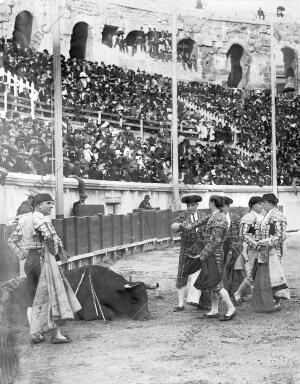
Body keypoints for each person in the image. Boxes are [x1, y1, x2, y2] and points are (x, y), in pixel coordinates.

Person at [8, 193, 81, 344]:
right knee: (51, 293)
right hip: (43, 259)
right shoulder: (41, 218)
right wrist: (54, 252)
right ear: (39, 205)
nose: (52, 206)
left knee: (33, 296)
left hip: (30, 260)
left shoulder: (24, 219)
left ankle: (35, 334)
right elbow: (49, 238)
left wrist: (22, 254)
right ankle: (56, 334)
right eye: (49, 203)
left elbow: (11, 241)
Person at [193, 195, 237, 321]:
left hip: (215, 254)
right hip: (211, 253)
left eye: (209, 202)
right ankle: (214, 309)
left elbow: (216, 241)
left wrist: (203, 255)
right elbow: (198, 222)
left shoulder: (219, 218)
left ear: (212, 203)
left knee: (217, 283)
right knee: (213, 283)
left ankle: (231, 309)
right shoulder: (214, 215)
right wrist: (183, 227)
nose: (208, 204)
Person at [252, 193, 290, 312]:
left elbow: (282, 235)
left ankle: (276, 301)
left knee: (274, 275)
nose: (262, 205)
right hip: (266, 250)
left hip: (274, 250)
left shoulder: (278, 215)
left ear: (269, 203)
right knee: (268, 275)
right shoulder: (268, 214)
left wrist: (268, 243)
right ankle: (270, 300)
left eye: (263, 203)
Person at [171, 195, 209, 312]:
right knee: (182, 273)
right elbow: (173, 226)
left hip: (201, 248)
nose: (190, 207)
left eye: (192, 205)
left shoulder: (203, 216)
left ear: (197, 205)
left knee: (201, 273)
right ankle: (181, 304)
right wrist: (181, 225)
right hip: (186, 249)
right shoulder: (183, 216)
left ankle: (198, 301)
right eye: (188, 205)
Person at [234, 196, 263, 302]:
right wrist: (255, 244)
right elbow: (243, 234)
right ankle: (238, 293)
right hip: (253, 249)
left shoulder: (260, 216)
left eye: (262, 204)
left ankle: (257, 294)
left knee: (260, 272)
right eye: (259, 204)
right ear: (252, 205)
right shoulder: (247, 217)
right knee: (252, 273)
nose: (261, 206)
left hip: (262, 248)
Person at [221, 197, 244, 298]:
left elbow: (241, 233)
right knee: (222, 268)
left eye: (224, 206)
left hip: (233, 246)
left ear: (228, 206)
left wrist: (238, 244)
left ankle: (233, 291)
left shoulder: (235, 217)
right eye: (220, 206)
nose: (222, 208)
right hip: (221, 246)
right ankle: (223, 291)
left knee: (235, 269)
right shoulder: (216, 217)